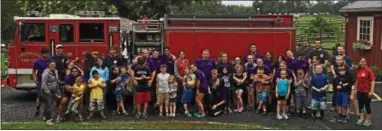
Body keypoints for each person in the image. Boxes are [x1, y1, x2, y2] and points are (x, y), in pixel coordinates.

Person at [41, 61, 62, 125]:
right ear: (49, 65)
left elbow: (56, 80)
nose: (53, 66)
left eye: (54, 65)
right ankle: (48, 120)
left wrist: (62, 82)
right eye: (51, 65)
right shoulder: (46, 73)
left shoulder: (55, 71)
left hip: (54, 90)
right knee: (49, 105)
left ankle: (45, 115)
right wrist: (48, 92)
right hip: (46, 90)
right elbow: (44, 84)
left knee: (57, 101)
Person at [355, 58, 375, 127]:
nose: (362, 63)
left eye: (364, 61)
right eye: (361, 61)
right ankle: (361, 118)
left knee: (367, 106)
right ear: (360, 62)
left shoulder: (369, 71)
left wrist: (371, 91)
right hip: (359, 91)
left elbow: (372, 81)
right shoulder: (359, 70)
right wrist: (355, 89)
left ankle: (368, 120)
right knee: (360, 105)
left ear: (366, 63)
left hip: (366, 91)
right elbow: (357, 80)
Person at [32, 47, 50, 117]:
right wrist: (35, 78)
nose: (46, 55)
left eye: (47, 54)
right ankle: (37, 109)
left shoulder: (50, 60)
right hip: (40, 81)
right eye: (45, 54)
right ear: (41, 54)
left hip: (48, 82)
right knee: (39, 96)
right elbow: (34, 71)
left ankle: (47, 111)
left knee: (48, 97)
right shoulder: (37, 62)